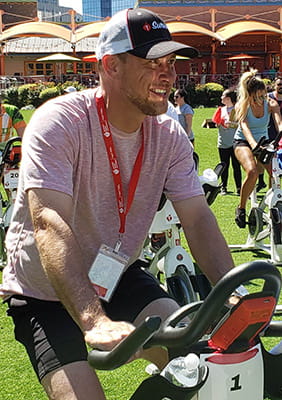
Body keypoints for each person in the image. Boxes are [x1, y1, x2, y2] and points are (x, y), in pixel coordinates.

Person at [0, 8, 235, 400]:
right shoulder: (59, 123)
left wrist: (230, 294)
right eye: (152, 63)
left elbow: (197, 218)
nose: (168, 74)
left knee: (201, 364)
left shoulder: (169, 135)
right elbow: (49, 221)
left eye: (171, 63)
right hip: (45, 291)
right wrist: (93, 320)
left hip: (117, 273)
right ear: (110, 66)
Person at [233, 69, 282, 228]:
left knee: (274, 173)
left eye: (264, 94)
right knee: (252, 172)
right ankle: (241, 208)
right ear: (251, 94)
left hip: (263, 141)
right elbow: (245, 128)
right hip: (243, 142)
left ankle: (271, 204)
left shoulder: (271, 103)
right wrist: (254, 146)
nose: (263, 98)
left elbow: (279, 124)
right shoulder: (243, 105)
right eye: (259, 96)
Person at [212, 88, 242, 196]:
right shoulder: (221, 110)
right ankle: (223, 187)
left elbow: (242, 125)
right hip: (222, 143)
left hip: (235, 143)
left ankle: (239, 188)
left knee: (236, 166)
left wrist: (232, 124)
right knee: (224, 166)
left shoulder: (237, 110)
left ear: (228, 98)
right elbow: (215, 123)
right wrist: (219, 124)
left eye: (223, 96)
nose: (221, 98)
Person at [257, 76, 282, 192]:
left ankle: (272, 190)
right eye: (279, 84)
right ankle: (262, 181)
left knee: (274, 165)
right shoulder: (269, 98)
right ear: (274, 85)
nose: (281, 87)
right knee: (263, 160)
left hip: (279, 131)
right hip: (267, 131)